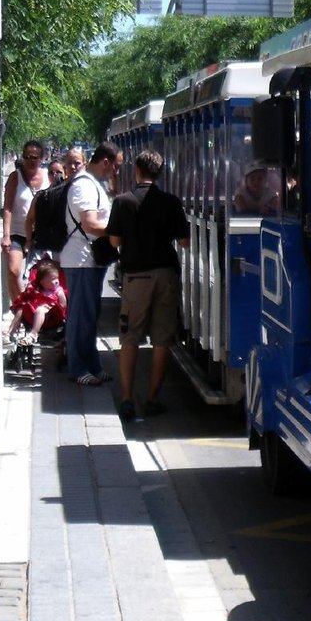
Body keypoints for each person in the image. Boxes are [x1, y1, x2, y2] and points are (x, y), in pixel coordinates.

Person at [106, 150, 189, 422]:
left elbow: (114, 242)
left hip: (136, 276)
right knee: (162, 339)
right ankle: (153, 399)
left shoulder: (123, 202)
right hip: (166, 273)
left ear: (137, 170)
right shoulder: (171, 202)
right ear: (160, 172)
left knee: (130, 337)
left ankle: (128, 399)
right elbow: (185, 241)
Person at [61, 141, 119, 386]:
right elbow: (89, 223)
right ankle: (77, 367)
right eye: (116, 166)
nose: (116, 171)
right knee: (80, 316)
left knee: (90, 315)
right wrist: (119, 231)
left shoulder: (94, 184)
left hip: (88, 260)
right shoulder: (85, 186)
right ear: (105, 162)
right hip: (81, 259)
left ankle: (91, 364)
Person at [1, 139, 48, 306]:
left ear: (42, 158)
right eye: (27, 156)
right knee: (13, 271)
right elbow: (7, 208)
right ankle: (24, 309)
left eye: (35, 157)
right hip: (17, 234)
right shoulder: (15, 178)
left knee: (41, 276)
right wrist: (6, 236)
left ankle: (32, 311)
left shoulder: (47, 178)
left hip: (41, 235)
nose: (31, 160)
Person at [6, 259, 67, 345]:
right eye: (53, 279)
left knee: (40, 309)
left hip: (52, 315)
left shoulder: (58, 291)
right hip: (33, 313)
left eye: (57, 278)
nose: (57, 281)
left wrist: (60, 296)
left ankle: (33, 334)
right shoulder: (36, 290)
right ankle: (11, 333)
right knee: (21, 309)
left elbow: (63, 305)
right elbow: (29, 298)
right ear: (42, 282)